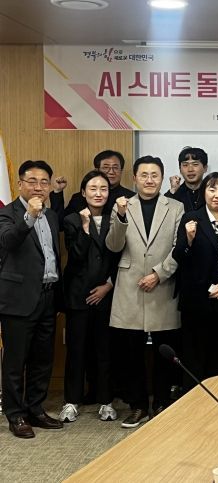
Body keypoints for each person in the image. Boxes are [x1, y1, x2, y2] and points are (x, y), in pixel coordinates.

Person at [106, 155, 184, 428]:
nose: (149, 180)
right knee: (131, 352)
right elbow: (114, 246)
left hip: (163, 285)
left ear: (161, 178)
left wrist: (159, 274)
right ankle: (138, 405)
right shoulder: (122, 205)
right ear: (135, 178)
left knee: (164, 350)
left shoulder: (176, 207)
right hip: (130, 286)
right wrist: (120, 217)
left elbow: (179, 247)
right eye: (144, 175)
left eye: (154, 175)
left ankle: (161, 403)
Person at [0, 160, 64, 438]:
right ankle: (15, 415)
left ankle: (35, 409)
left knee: (42, 359)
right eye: (32, 181)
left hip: (48, 296)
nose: (39, 187)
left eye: (44, 182)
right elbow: (8, 241)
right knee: (15, 361)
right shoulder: (7, 213)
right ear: (19, 184)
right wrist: (29, 217)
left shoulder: (52, 216)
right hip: (18, 299)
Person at [172, 172, 218, 387]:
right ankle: (193, 401)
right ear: (204, 193)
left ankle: (217, 399)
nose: (217, 195)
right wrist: (189, 240)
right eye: (212, 189)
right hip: (196, 302)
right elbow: (179, 256)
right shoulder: (191, 218)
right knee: (194, 357)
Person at [60, 170, 120, 423]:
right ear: (83, 192)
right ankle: (71, 401)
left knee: (104, 350)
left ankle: (106, 401)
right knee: (76, 350)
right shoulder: (72, 219)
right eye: (93, 188)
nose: (98, 193)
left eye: (103, 189)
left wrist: (108, 286)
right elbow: (75, 256)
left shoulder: (115, 219)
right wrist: (85, 228)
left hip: (106, 294)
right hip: (78, 295)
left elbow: (120, 257)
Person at [57, 150, 135, 218]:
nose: (111, 172)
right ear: (96, 170)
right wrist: (57, 192)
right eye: (106, 167)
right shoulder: (79, 198)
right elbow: (60, 224)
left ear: (121, 171)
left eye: (115, 168)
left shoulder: (131, 198)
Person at [165, 146, 208, 213]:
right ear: (180, 169)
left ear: (205, 168)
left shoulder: (211, 192)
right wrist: (173, 191)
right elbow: (163, 211)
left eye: (195, 164)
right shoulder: (175, 193)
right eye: (185, 165)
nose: (190, 169)